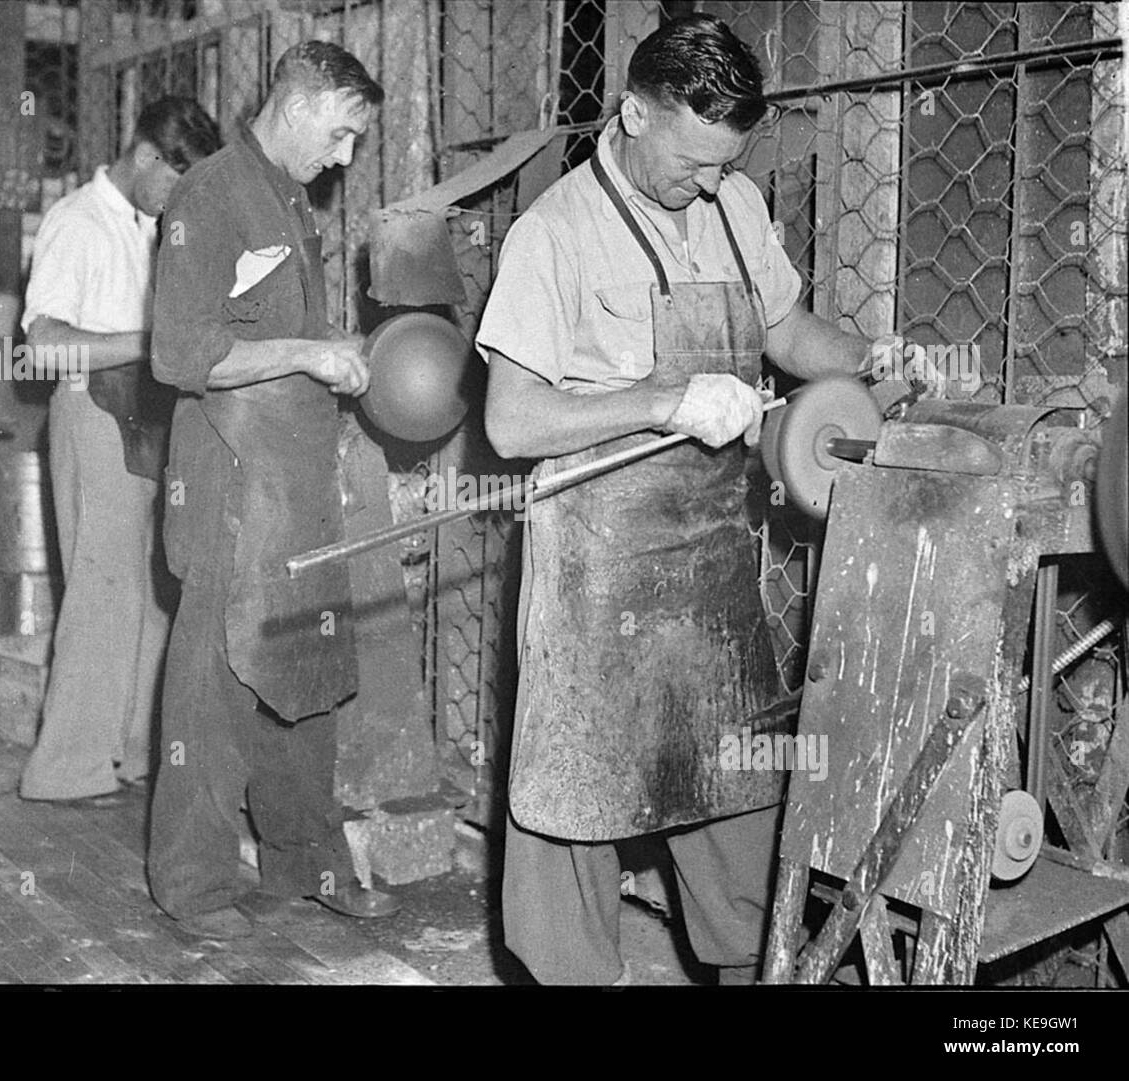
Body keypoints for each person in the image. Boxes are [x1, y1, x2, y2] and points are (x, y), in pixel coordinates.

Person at [476, 14, 889, 985]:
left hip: (710, 571)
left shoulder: (733, 203)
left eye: (723, 164)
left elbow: (786, 329)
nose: (707, 185)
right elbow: (510, 422)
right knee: (573, 804)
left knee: (735, 794)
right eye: (692, 161)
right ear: (630, 112)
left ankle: (754, 967)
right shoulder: (555, 233)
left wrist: (872, 358)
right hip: (597, 579)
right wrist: (664, 399)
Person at [147, 42, 395, 938]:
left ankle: (303, 860)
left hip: (292, 475)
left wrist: (344, 350)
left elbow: (282, 326)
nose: (346, 157)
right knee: (212, 683)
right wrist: (307, 353)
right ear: (301, 104)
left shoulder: (292, 198)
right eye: (342, 133)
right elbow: (178, 352)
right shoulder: (207, 194)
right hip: (225, 476)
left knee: (305, 660)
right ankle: (195, 884)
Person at [19, 97, 222, 801]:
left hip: (149, 414)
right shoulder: (75, 221)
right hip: (92, 410)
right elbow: (41, 344)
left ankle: (132, 753)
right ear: (145, 157)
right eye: (175, 181)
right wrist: (147, 345)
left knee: (155, 589)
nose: (177, 201)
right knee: (102, 593)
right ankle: (64, 770)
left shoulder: (153, 226)